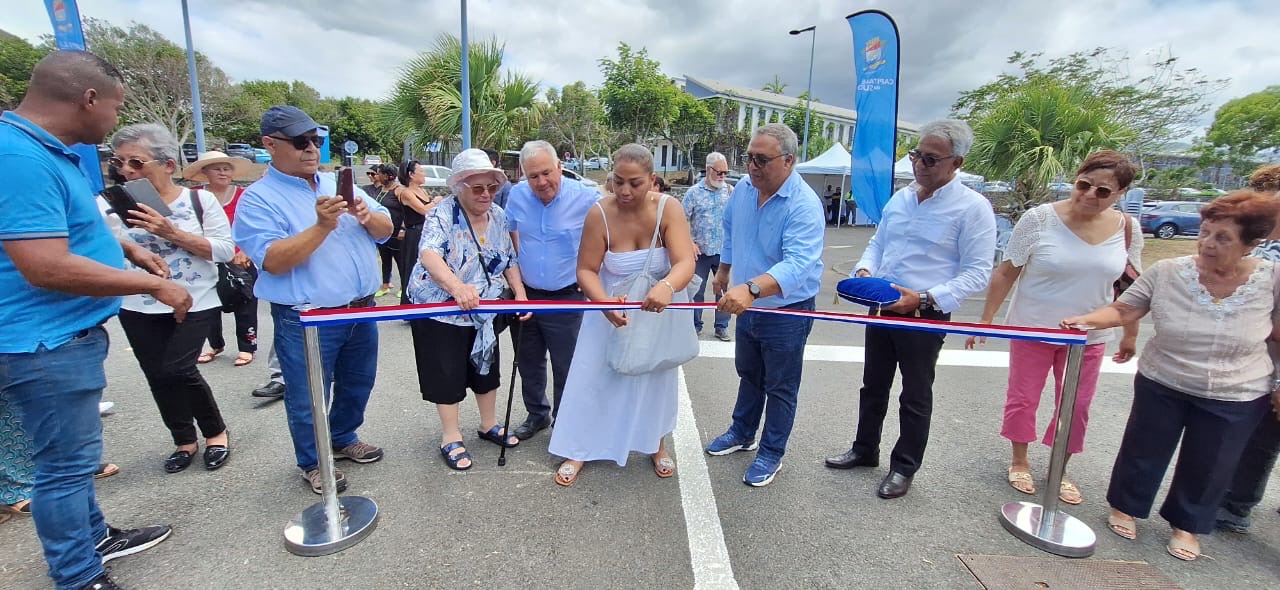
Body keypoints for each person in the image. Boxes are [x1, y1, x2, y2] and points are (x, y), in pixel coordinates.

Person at [0, 50, 181, 590]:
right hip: (43, 341)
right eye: (116, 107)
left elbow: (74, 228)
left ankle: (94, 533)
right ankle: (78, 576)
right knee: (62, 466)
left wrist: (127, 249)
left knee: (73, 460)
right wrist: (153, 283)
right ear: (89, 99)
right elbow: (45, 264)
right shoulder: (20, 158)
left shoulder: (44, 152)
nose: (113, 123)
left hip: (62, 336)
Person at [1062, 191, 1280, 561]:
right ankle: (1126, 506)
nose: (1208, 244)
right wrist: (1083, 320)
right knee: (1144, 447)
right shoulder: (1168, 271)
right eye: (1206, 233)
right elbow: (1123, 309)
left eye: (1222, 237)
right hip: (1164, 378)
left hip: (1238, 390)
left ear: (1250, 244)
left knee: (1212, 460)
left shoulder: (1271, 278)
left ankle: (1187, 524)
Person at [824, 119, 996, 499]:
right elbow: (878, 242)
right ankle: (864, 449)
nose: (920, 164)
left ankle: (904, 467)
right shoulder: (901, 198)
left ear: (957, 163)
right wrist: (865, 269)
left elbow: (978, 272)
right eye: (917, 154)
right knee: (873, 385)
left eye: (931, 159)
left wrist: (923, 298)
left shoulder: (972, 209)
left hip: (924, 312)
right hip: (884, 306)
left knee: (915, 395)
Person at [232, 105, 395, 494]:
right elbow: (271, 260)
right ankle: (313, 460)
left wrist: (366, 216)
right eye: (301, 142)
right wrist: (322, 226)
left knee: (359, 382)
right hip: (308, 316)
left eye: (317, 141)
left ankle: (341, 436)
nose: (311, 149)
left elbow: (387, 229)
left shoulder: (335, 183)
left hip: (360, 307)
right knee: (308, 395)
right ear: (269, 145)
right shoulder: (259, 198)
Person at [966, 150, 1142, 505]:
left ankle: (1059, 468)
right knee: (1024, 397)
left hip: (1088, 336)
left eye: (1103, 192)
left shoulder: (1127, 228)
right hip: (1034, 327)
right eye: (1084, 185)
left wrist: (1130, 334)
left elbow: (1130, 287)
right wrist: (985, 321)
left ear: (1121, 194)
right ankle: (1019, 460)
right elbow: (1006, 271)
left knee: (1076, 405)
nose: (1090, 195)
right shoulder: (1039, 219)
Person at [548, 144, 696, 486]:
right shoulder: (599, 213)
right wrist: (605, 304)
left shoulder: (669, 209)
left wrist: (669, 286)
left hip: (657, 314)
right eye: (618, 181)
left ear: (653, 180)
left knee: (655, 378)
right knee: (594, 381)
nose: (625, 191)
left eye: (635, 183)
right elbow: (585, 270)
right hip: (608, 312)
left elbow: (685, 261)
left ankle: (655, 443)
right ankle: (579, 448)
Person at [106, 124, 235, 474]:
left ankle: (215, 432)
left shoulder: (198, 200)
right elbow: (95, 247)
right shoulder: (108, 205)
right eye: (121, 162)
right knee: (157, 375)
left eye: (137, 162)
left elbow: (223, 250)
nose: (127, 170)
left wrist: (170, 232)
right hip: (137, 303)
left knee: (179, 368)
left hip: (197, 298)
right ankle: (183, 439)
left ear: (167, 165)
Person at [704, 123, 826, 487]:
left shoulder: (804, 205)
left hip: (786, 311)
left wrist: (752, 290)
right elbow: (730, 229)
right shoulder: (743, 189)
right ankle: (742, 432)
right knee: (749, 374)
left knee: (781, 386)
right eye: (749, 158)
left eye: (762, 159)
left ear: (788, 161)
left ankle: (771, 452)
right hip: (749, 304)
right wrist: (724, 270)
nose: (752, 166)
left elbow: (797, 264)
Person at [406, 149, 526, 470]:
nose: (486, 194)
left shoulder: (498, 216)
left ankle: (488, 424)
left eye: (491, 188)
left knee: (486, 366)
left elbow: (508, 258)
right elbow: (429, 255)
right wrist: (457, 287)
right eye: (478, 188)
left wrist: (521, 293)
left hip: (482, 306)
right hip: (440, 306)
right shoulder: (442, 214)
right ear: (459, 187)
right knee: (447, 371)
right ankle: (451, 436)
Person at [505, 140, 601, 440]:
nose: (541, 182)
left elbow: (623, 215)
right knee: (528, 361)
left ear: (560, 166)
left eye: (547, 172)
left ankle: (566, 420)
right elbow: (509, 236)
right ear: (523, 175)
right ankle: (537, 415)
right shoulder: (517, 196)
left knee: (566, 365)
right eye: (533, 176)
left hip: (567, 295)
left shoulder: (586, 197)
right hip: (526, 294)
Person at [1216, 163, 1280, 534]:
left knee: (1267, 432)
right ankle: (1236, 501)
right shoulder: (1258, 241)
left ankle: (1236, 504)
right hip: (1256, 348)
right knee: (1260, 431)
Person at [185, 150, 258, 368]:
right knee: (207, 304)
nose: (223, 172)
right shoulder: (193, 195)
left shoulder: (244, 195)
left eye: (227, 168)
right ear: (204, 171)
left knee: (245, 302)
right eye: (217, 168)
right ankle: (214, 344)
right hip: (206, 256)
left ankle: (247, 347)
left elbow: (254, 226)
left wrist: (246, 250)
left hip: (239, 257)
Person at [683, 152, 733, 341]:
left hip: (723, 251)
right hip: (700, 252)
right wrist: (689, 242)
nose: (722, 176)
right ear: (709, 170)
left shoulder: (729, 191)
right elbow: (681, 220)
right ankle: (695, 325)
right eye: (719, 172)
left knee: (722, 290)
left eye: (725, 173)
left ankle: (722, 326)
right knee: (696, 290)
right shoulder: (693, 193)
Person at [396, 160, 445, 305]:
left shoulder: (422, 190)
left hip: (427, 232)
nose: (424, 174)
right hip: (414, 234)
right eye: (421, 171)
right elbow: (424, 210)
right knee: (412, 268)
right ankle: (409, 304)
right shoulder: (406, 193)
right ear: (411, 174)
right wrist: (436, 201)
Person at [372, 164, 404, 297]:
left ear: (387, 175)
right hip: (383, 234)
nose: (377, 176)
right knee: (385, 260)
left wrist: (403, 228)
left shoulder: (399, 190)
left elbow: (406, 212)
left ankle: (404, 286)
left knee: (400, 261)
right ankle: (385, 285)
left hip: (397, 233)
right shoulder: (382, 190)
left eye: (379, 173)